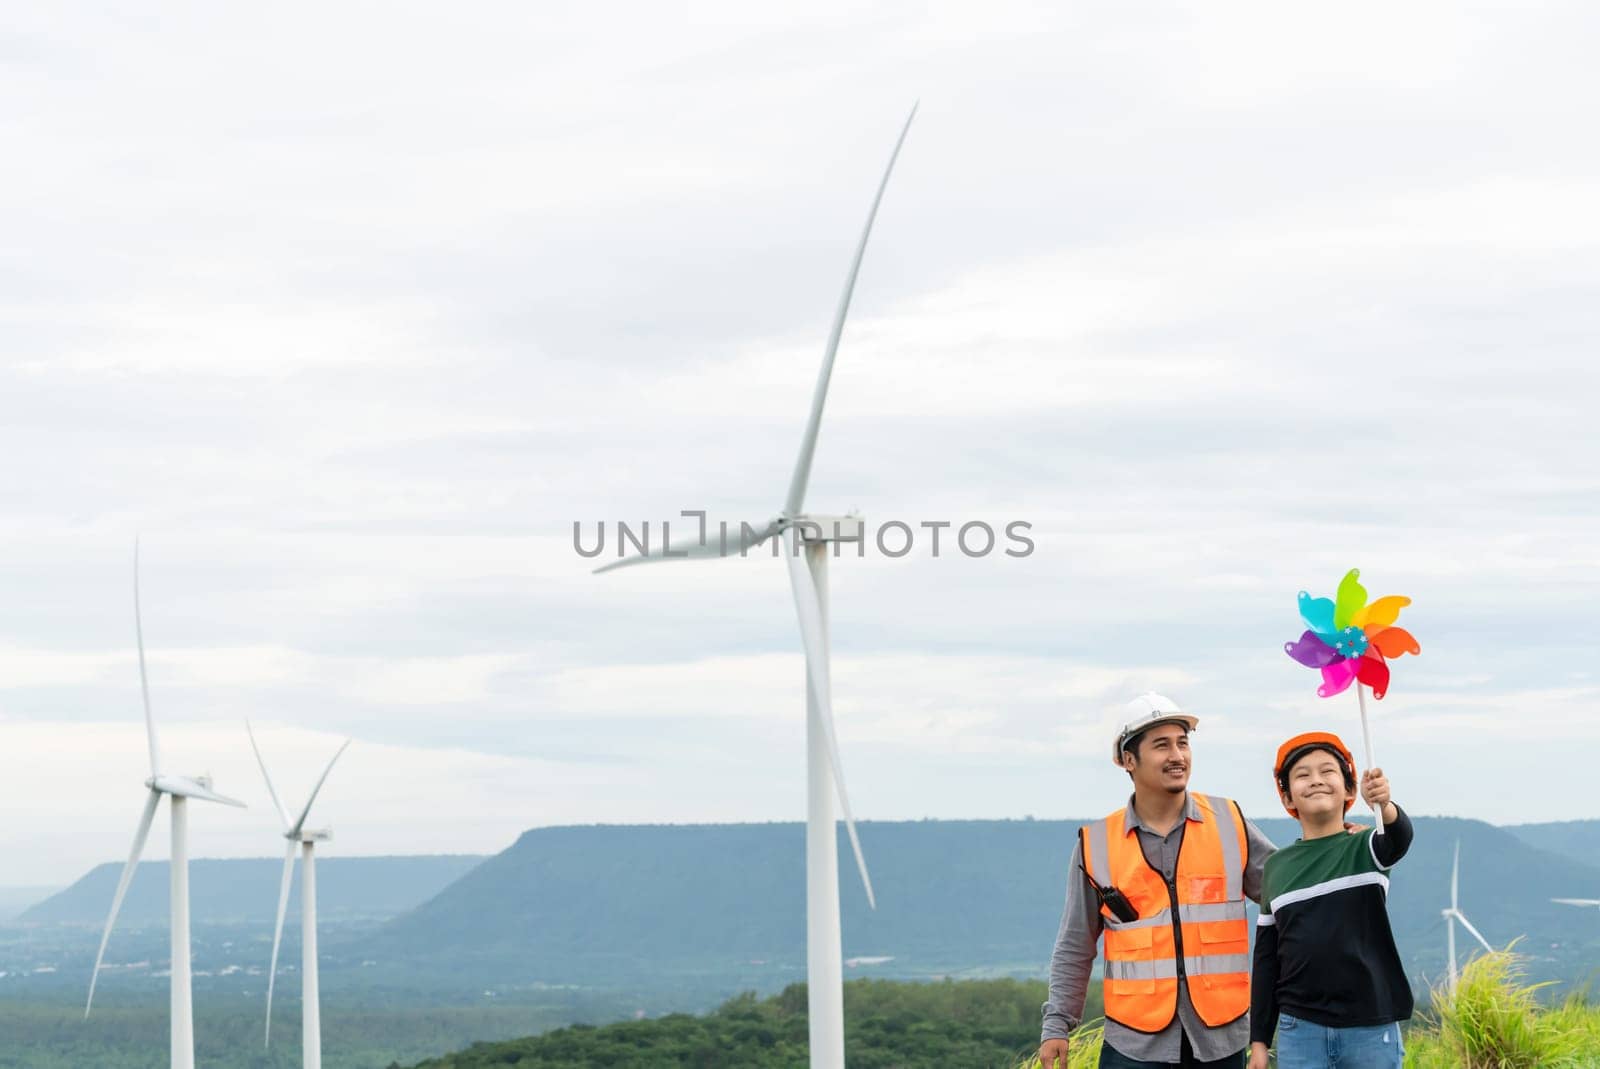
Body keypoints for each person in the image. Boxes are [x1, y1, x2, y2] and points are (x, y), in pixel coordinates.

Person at [1040, 693, 1277, 1069]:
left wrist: (1330, 841)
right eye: (1162, 745)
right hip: (1134, 1044)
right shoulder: (1095, 845)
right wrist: (1057, 1024)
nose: (1177, 756)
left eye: (1183, 743)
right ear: (1128, 760)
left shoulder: (1229, 823)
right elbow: (1075, 944)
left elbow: (1290, 893)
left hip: (1220, 1040)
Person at [1248, 732, 1414, 1069]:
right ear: (1287, 796)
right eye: (1302, 775)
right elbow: (1267, 960)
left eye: (1327, 771)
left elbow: (1400, 837)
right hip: (1300, 1028)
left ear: (1350, 789)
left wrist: (1384, 805)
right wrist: (1260, 1041)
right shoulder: (1278, 867)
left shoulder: (1367, 846)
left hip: (1371, 1026)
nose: (1316, 781)